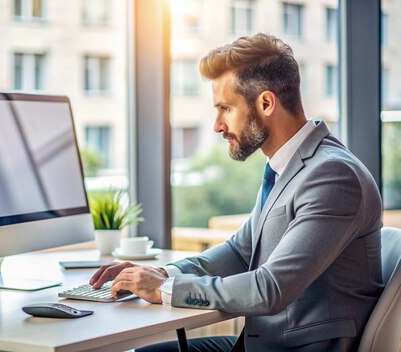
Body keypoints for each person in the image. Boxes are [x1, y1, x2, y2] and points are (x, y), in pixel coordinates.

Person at [89, 33, 383, 352]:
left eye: (225, 109)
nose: (217, 125)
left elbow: (269, 289)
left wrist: (165, 289)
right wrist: (159, 273)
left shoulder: (332, 176)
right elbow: (240, 253)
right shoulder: (288, 165)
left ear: (266, 103)